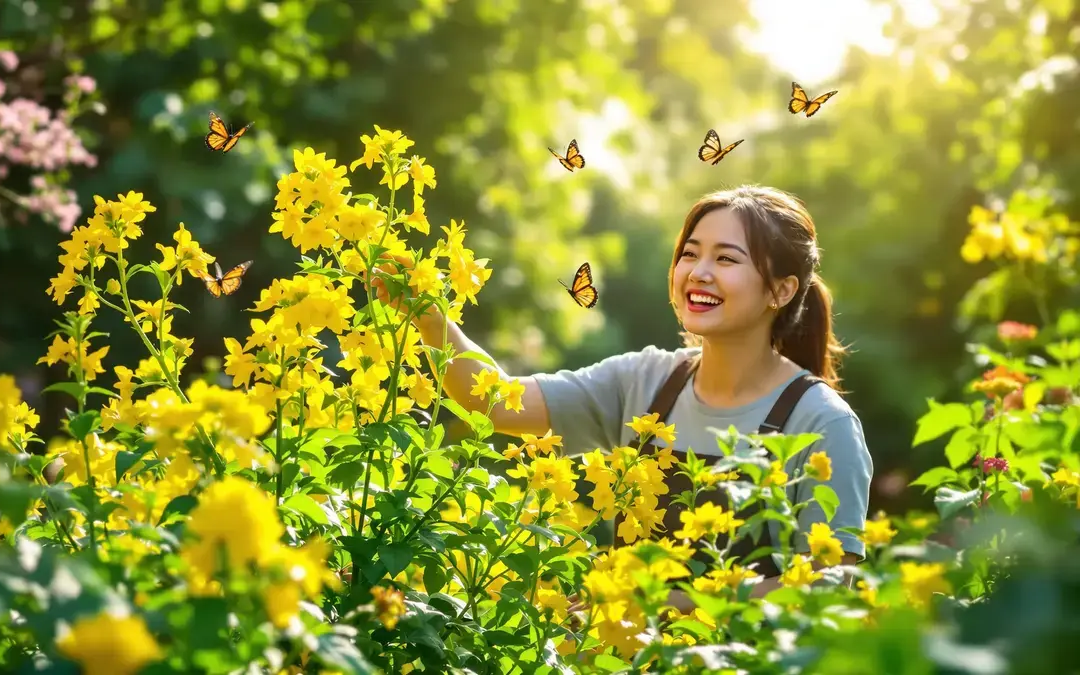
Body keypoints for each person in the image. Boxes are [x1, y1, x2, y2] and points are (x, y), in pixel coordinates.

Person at [370, 184, 873, 612]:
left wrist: (658, 603)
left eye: (726, 259)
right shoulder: (645, 381)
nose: (698, 272)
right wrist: (432, 319)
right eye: (690, 254)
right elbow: (499, 404)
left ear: (781, 291)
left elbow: (827, 595)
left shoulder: (821, 423)